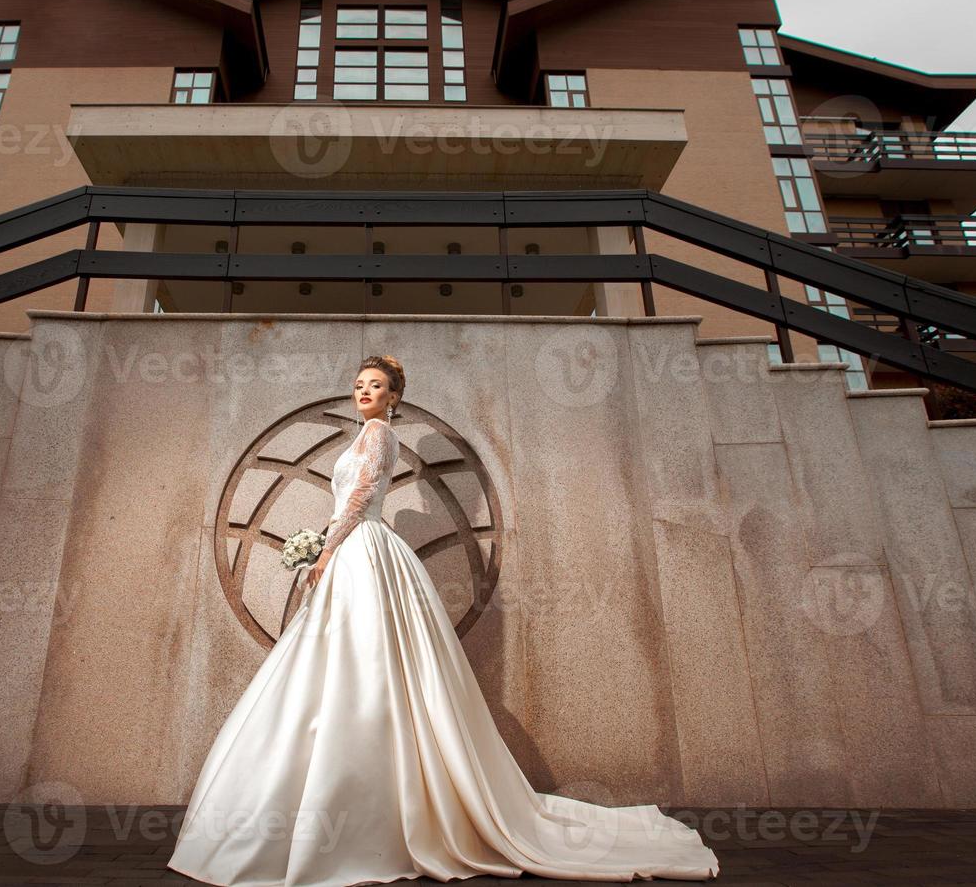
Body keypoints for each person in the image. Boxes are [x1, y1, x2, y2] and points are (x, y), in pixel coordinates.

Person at [167, 355, 720, 886]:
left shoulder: (382, 435)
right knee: (340, 665)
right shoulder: (361, 437)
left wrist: (328, 549)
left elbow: (359, 498)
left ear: (394, 397)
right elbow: (349, 500)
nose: (364, 392)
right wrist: (321, 548)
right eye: (359, 384)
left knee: (363, 664)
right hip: (353, 549)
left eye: (376, 386)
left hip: (360, 550)